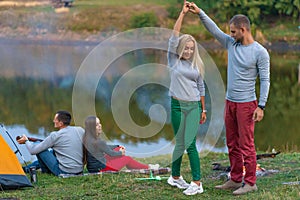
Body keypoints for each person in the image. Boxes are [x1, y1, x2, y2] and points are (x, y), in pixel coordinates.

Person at [188, 2, 270, 195]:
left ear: (243, 29)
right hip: (230, 102)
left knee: (246, 144)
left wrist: (261, 106)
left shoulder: (260, 52)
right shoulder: (231, 44)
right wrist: (199, 12)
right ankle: (234, 179)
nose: (230, 35)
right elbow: (214, 30)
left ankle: (250, 182)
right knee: (231, 142)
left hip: (247, 104)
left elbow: (265, 80)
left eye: (233, 32)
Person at [166, 1, 207, 196]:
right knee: (179, 143)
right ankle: (174, 177)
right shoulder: (173, 60)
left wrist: (203, 109)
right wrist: (182, 14)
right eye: (186, 48)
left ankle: (197, 182)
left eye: (192, 48)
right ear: (181, 48)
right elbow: (174, 37)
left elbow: (201, 88)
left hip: (193, 107)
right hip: (175, 105)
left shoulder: (196, 65)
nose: (189, 51)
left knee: (189, 144)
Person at [17, 110, 85, 176]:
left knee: (38, 145)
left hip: (63, 171)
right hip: (79, 170)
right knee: (53, 152)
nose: (53, 121)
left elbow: (33, 150)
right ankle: (26, 169)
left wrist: (26, 141)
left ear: (61, 123)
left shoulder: (55, 135)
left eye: (55, 119)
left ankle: (45, 171)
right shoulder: (80, 130)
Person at [82, 116, 159, 173]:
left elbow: (105, 147)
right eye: (97, 125)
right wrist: (121, 153)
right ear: (92, 128)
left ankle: (134, 166)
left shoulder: (88, 138)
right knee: (127, 159)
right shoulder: (98, 142)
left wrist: (117, 146)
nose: (100, 126)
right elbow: (111, 154)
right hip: (102, 169)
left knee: (117, 149)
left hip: (92, 168)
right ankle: (149, 168)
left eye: (100, 123)